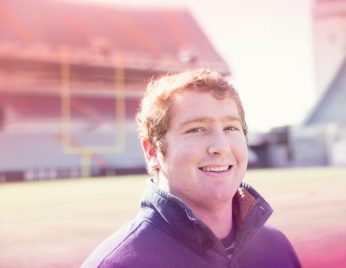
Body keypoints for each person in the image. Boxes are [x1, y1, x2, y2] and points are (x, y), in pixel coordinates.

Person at [82, 69, 301, 268]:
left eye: (230, 127)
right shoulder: (116, 264)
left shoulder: (277, 248)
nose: (220, 147)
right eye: (196, 129)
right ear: (152, 152)